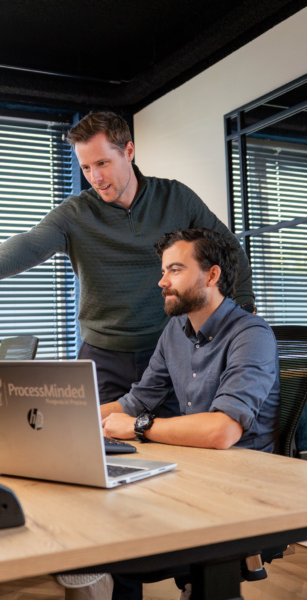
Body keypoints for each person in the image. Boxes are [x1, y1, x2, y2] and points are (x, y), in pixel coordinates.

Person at [0, 112, 256, 417]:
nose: (95, 178)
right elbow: (31, 242)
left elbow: (229, 248)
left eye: (102, 163)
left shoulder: (176, 198)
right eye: (86, 167)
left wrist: (244, 307)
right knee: (92, 437)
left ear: (128, 151)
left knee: (171, 439)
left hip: (169, 350)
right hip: (102, 357)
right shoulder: (76, 213)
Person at [100, 228, 280, 600]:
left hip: (242, 482)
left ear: (212, 275)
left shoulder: (251, 334)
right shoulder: (175, 331)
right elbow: (135, 401)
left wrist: (139, 427)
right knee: (104, 518)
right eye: (163, 271)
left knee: (121, 545)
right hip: (195, 467)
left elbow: (222, 431)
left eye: (175, 270)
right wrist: (65, 413)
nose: (162, 281)